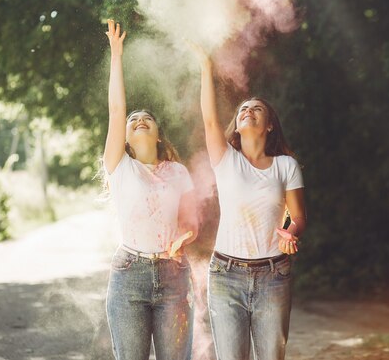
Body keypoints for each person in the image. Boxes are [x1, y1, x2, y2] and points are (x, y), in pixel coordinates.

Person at [190, 42, 307, 360]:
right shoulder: (226, 160)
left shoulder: (286, 166)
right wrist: (206, 67)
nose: (247, 111)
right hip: (226, 275)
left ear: (269, 125)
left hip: (274, 276)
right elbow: (211, 120)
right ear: (238, 125)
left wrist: (288, 232)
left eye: (256, 109)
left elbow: (293, 215)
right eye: (243, 109)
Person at [103, 19, 196, 360]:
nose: (138, 120)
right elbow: (116, 110)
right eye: (133, 120)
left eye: (147, 119)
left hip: (174, 278)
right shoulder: (120, 167)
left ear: (158, 134)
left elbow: (191, 222)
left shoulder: (179, 172)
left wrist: (185, 237)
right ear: (126, 138)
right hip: (129, 277)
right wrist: (117, 56)